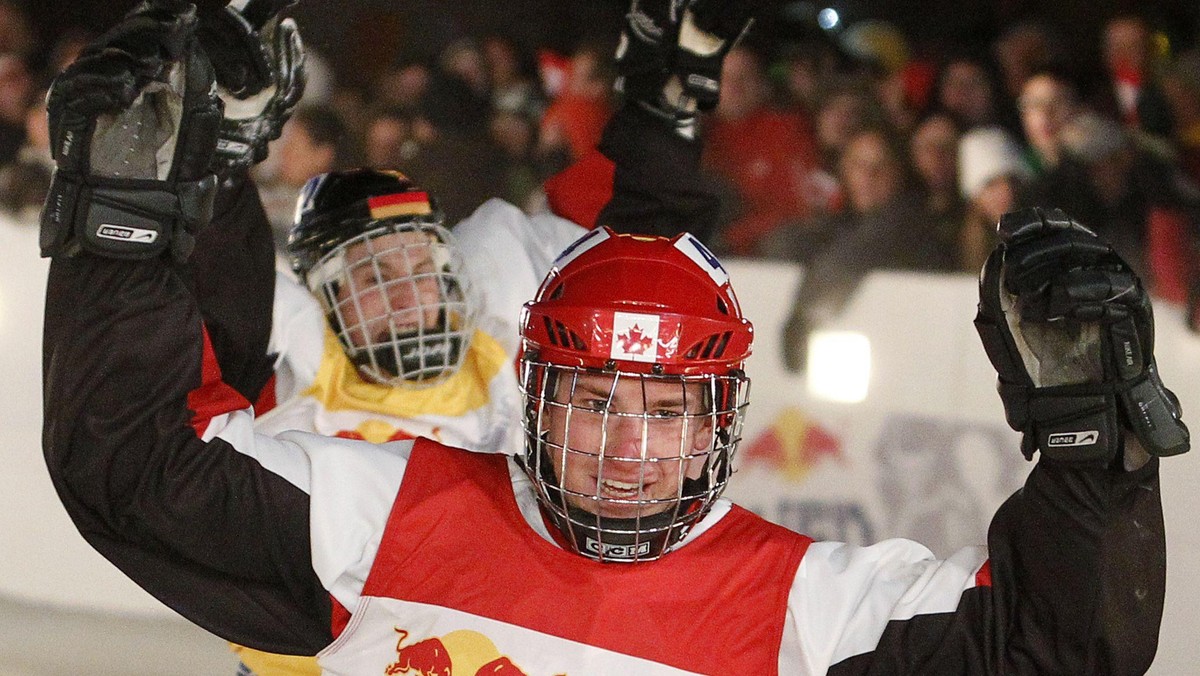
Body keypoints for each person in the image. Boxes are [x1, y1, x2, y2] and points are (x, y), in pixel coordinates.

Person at [41, 3, 1188, 675]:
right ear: (534, 396)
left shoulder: (805, 608)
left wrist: (1095, 457)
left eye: (664, 409)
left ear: (719, 423)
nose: (626, 448)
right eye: (596, 400)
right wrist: (123, 231)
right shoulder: (383, 511)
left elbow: (1055, 649)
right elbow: (133, 466)